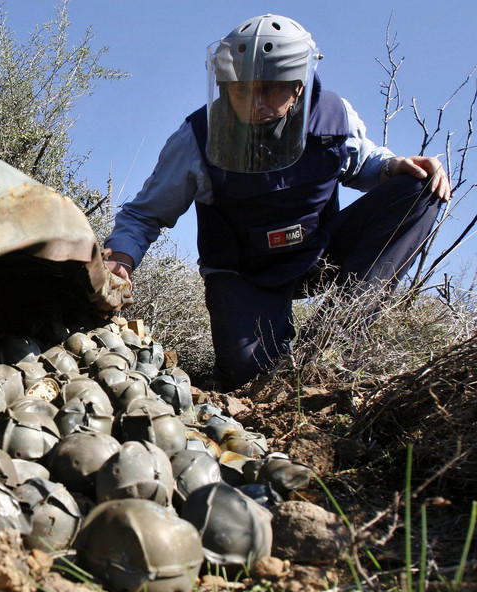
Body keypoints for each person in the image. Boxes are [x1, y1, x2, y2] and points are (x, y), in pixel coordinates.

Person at [103, 14, 451, 390]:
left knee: (421, 187)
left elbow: (361, 161)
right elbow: (144, 214)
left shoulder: (334, 117)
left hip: (318, 253)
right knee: (248, 377)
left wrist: (394, 165)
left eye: (270, 89)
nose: (255, 103)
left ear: (298, 85)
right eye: (241, 89)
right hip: (245, 272)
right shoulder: (196, 140)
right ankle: (259, 354)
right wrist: (121, 259)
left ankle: (333, 339)